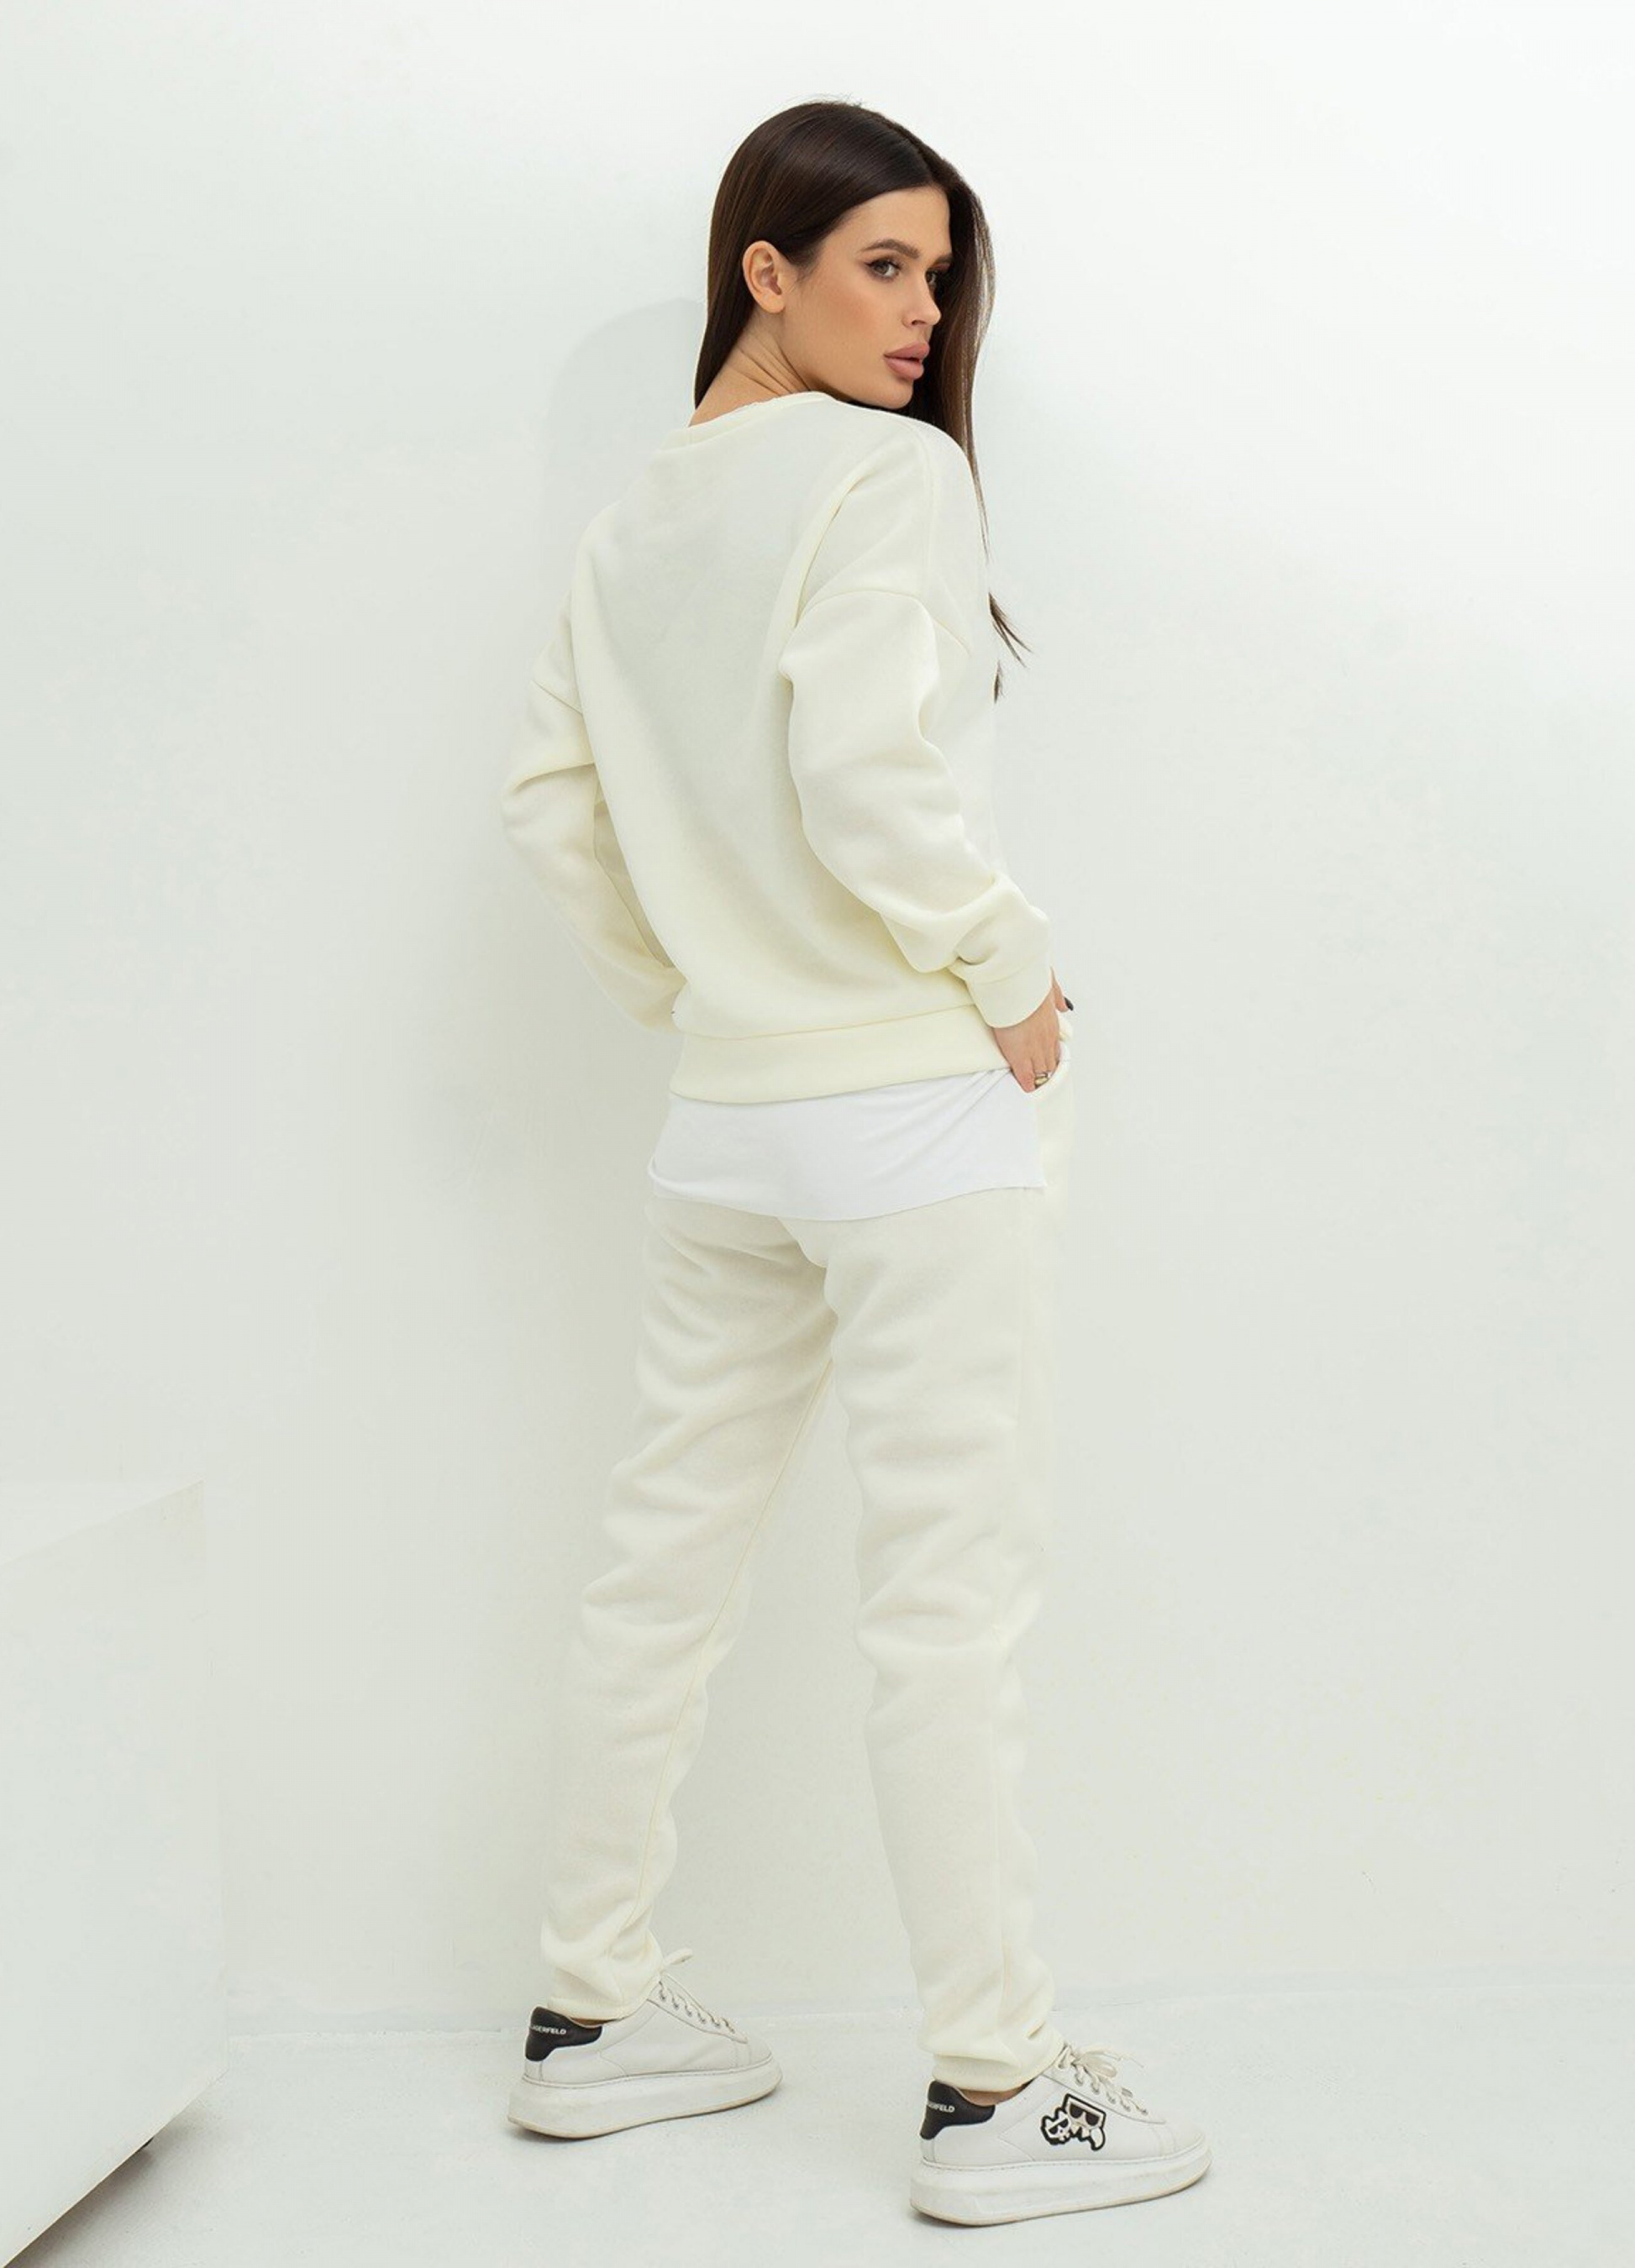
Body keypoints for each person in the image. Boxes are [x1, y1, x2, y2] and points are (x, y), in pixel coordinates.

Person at [497, 99, 1211, 2226]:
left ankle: (588, 2012)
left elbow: (551, 806)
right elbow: (863, 765)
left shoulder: (633, 518)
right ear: (767, 268)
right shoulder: (883, 476)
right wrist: (1006, 966)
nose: (920, 319)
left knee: (659, 1565)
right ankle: (995, 2090)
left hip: (729, 1115)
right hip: (907, 1101)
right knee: (943, 1606)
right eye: (881, 266)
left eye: (936, 276)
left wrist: (707, 988)